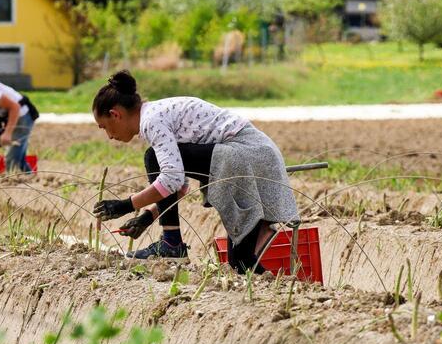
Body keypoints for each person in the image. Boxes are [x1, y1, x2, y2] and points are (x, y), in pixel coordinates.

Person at [90, 71, 299, 265]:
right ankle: (279, 292)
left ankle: (172, 244)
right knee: (240, 264)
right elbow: (179, 185)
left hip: (246, 152)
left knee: (152, 157)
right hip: (255, 155)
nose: (109, 136)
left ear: (115, 114)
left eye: (104, 127)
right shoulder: (156, 114)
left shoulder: (152, 120)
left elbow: (171, 178)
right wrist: (147, 217)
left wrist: (124, 205)